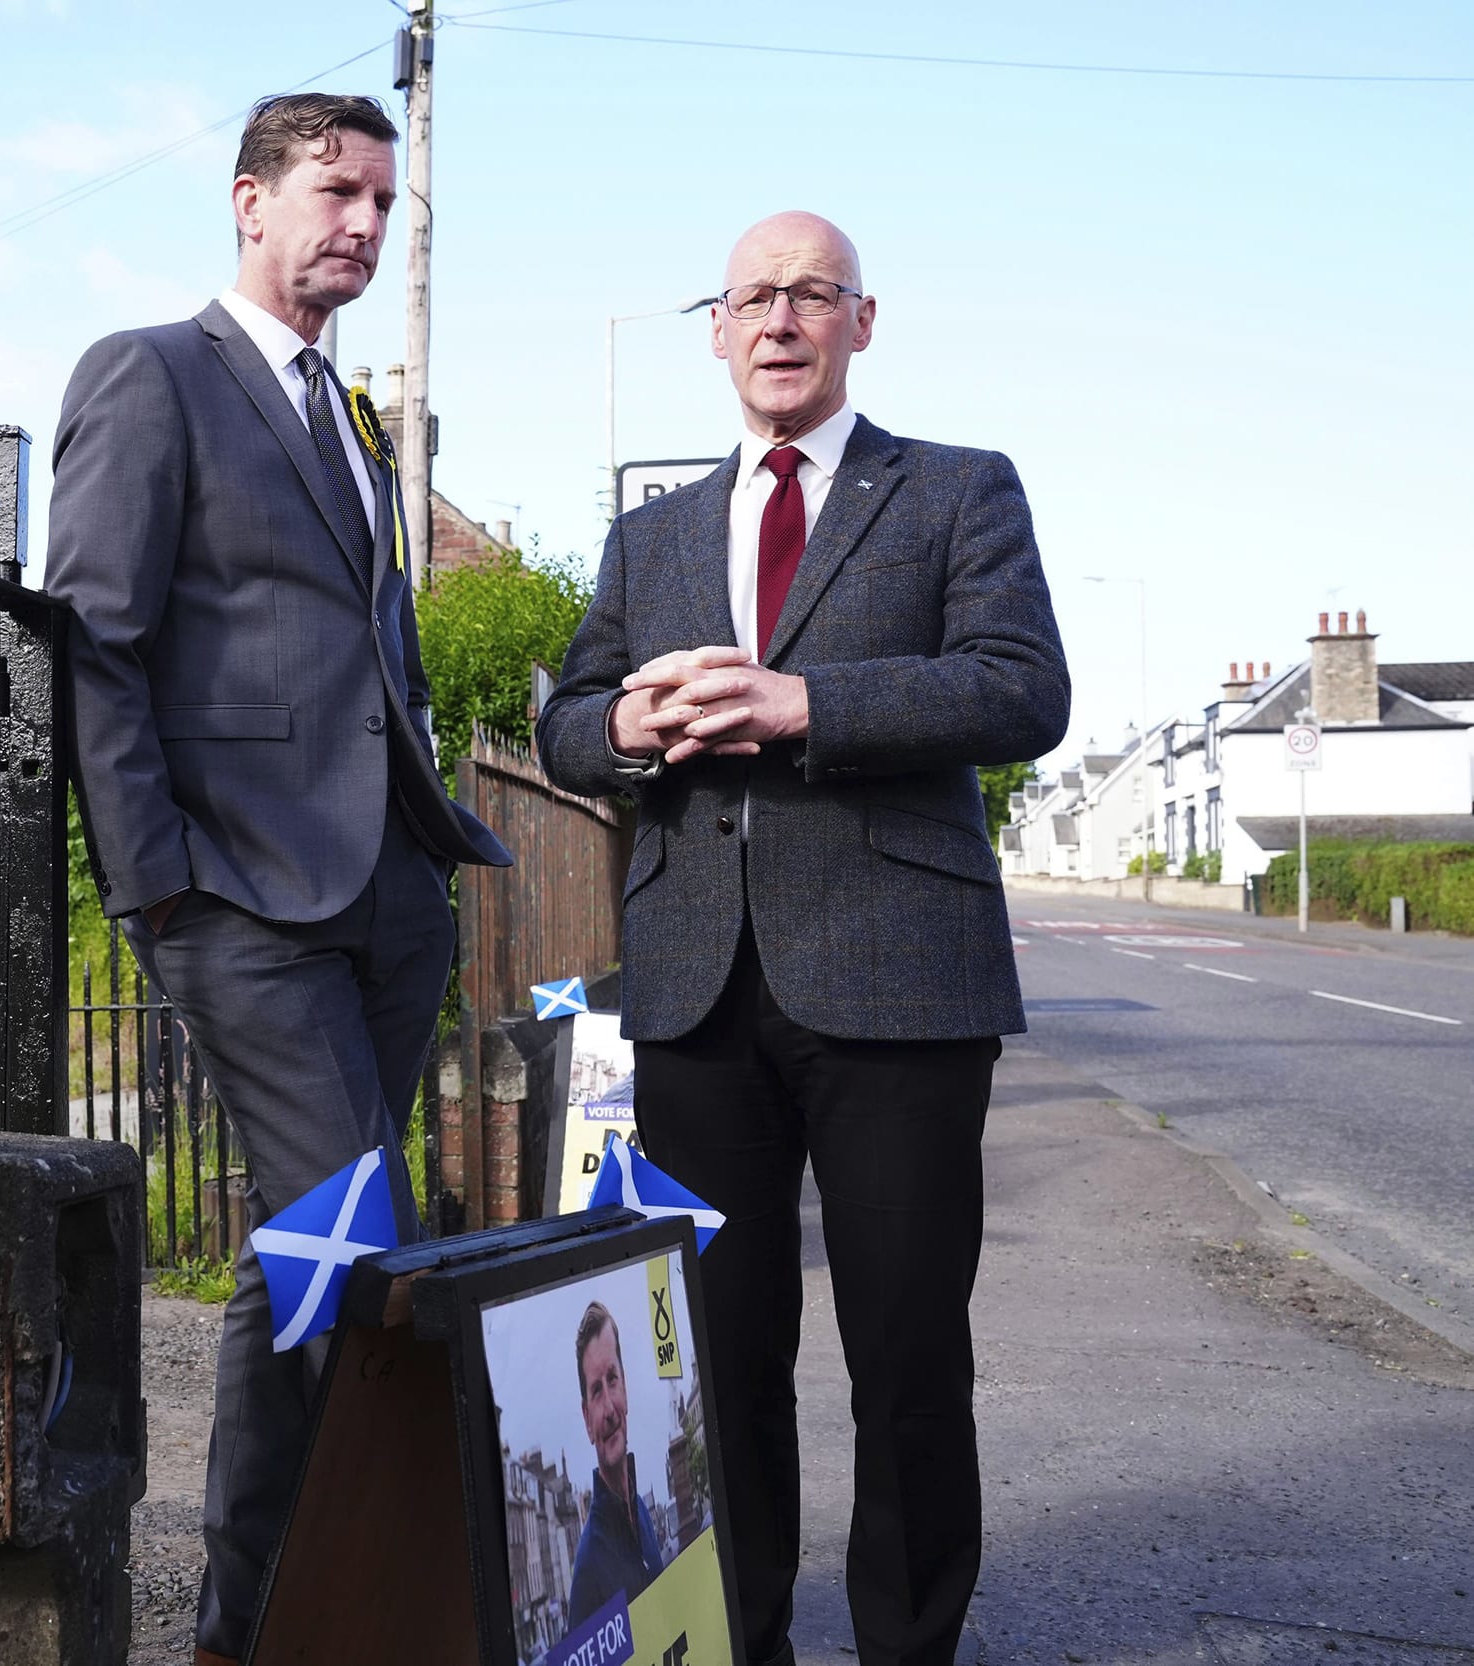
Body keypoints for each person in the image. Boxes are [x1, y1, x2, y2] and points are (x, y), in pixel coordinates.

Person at [535, 211, 1069, 1666]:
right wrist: (631, 724)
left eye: (810, 295)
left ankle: (907, 1645)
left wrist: (803, 707)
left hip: (900, 974)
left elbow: (1022, 690)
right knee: (719, 1358)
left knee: (904, 1356)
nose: (780, 320)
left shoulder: (956, 491)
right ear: (717, 328)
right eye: (752, 297)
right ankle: (738, 1639)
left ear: (862, 320)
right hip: (697, 986)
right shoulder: (649, 533)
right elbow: (566, 717)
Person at [43, 92, 512, 1665]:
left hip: (386, 892)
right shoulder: (151, 374)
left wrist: (425, 846)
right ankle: (279, 1627)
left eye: (387, 202)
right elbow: (90, 642)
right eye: (336, 191)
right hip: (240, 895)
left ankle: (266, 1620)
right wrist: (156, 882)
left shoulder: (361, 419)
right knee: (353, 1244)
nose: (367, 224)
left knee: (300, 1264)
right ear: (251, 200)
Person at [566, 1301, 668, 1624]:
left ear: (625, 1385)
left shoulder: (641, 1513)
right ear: (586, 1418)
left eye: (612, 1379)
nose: (609, 1408)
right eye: (596, 1391)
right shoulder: (588, 1570)